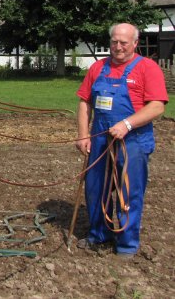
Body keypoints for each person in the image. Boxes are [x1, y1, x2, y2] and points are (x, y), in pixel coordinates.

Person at [75, 23, 168, 258]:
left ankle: (126, 244)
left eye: (123, 43)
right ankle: (98, 234)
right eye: (114, 42)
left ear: (135, 43)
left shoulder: (148, 68)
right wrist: (83, 134)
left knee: (129, 193)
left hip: (133, 141)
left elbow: (156, 106)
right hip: (100, 139)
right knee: (96, 189)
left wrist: (127, 124)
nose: (118, 47)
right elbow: (85, 102)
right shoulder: (98, 68)